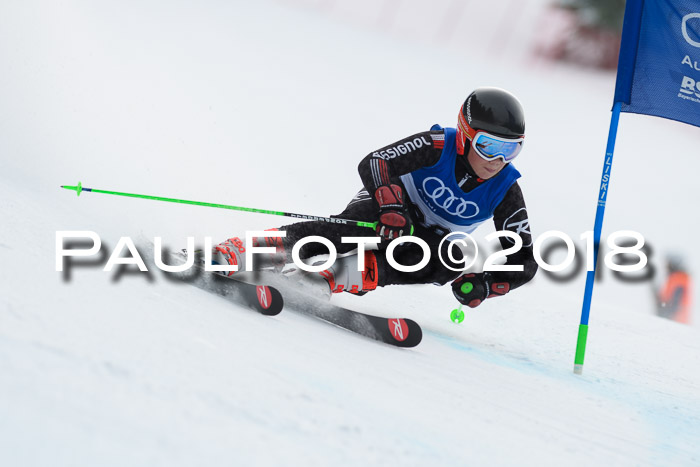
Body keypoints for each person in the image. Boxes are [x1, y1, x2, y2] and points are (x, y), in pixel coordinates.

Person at [213, 87, 538, 308]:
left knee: (448, 258)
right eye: (489, 146)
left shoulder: (505, 189)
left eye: (511, 149)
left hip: (424, 241)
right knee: (353, 230)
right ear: (465, 135)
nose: (498, 160)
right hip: (387, 207)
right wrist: (391, 205)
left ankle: (330, 277)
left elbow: (524, 260)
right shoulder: (438, 145)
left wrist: (486, 284)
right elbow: (377, 161)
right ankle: (245, 251)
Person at [655, 254, 692, 324]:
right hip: (675, 320)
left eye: (669, 264)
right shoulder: (675, 278)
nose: (666, 267)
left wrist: (665, 314)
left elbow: (676, 302)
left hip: (676, 321)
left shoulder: (679, 279)